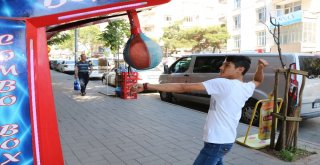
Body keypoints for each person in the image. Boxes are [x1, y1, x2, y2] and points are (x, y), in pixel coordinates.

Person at [130, 55, 269, 165]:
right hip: (225, 141)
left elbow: (183, 87)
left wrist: (147, 85)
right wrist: (261, 68)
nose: (221, 67)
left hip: (217, 142)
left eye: (226, 65)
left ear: (240, 69)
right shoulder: (245, 87)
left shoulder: (223, 83)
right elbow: (258, 81)